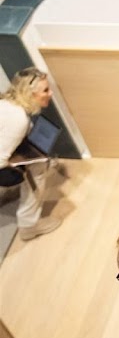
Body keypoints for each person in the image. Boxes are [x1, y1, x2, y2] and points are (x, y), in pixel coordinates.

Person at [0, 67, 61, 241]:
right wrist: (22, 163)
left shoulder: (6, 103)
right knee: (38, 167)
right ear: (30, 94)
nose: (50, 94)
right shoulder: (18, 118)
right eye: (45, 90)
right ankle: (29, 226)